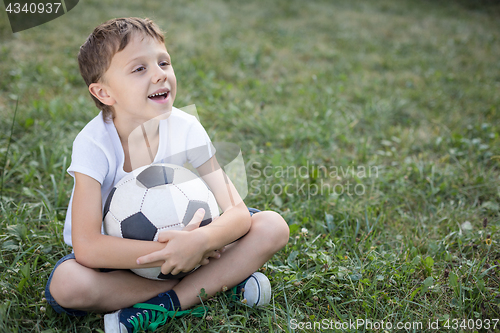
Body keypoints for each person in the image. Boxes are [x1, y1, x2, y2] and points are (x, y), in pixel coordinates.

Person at [44, 17, 290, 332]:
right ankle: (217, 284)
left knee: (272, 226)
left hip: (198, 243)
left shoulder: (186, 126)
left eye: (163, 62)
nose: (160, 74)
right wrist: (171, 253)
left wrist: (200, 240)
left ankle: (165, 306)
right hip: (125, 259)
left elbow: (238, 213)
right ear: (104, 92)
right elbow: (88, 246)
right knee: (67, 284)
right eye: (139, 69)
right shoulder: (93, 144)